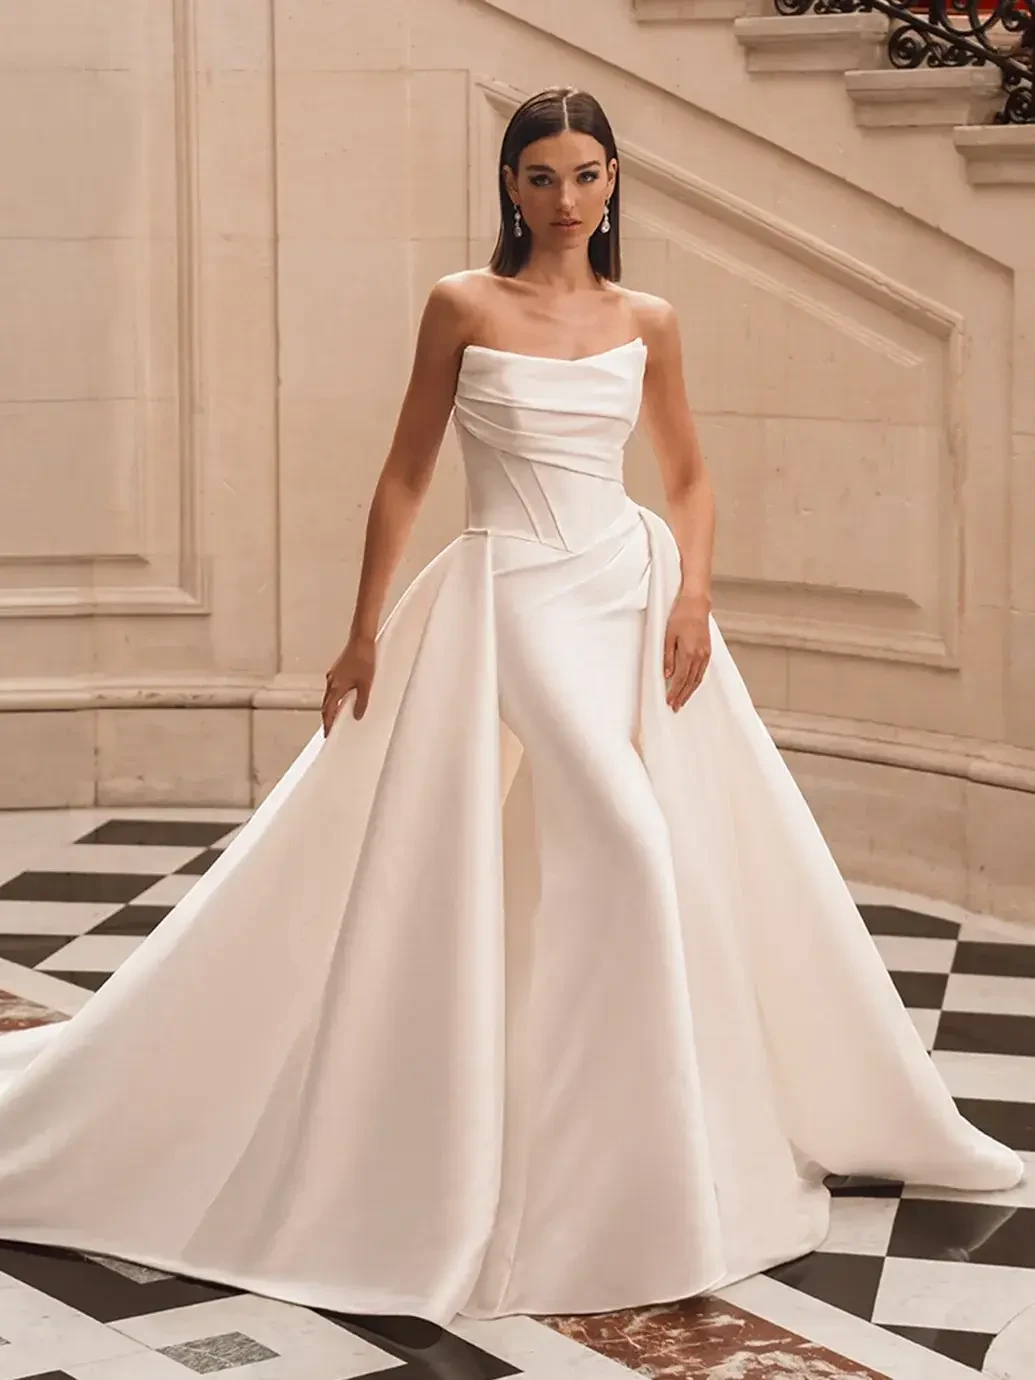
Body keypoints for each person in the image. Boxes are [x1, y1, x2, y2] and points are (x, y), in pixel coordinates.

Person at [0, 85, 1023, 1331]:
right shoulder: (462, 304)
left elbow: (690, 476)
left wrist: (695, 594)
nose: (565, 198)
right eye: (541, 176)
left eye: (586, 174)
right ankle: (606, 1178)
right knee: (630, 847)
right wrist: (362, 630)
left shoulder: (649, 319)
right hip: (514, 595)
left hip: (627, 589)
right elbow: (404, 473)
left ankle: (597, 1143)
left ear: (613, 181)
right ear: (510, 184)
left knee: (608, 862)